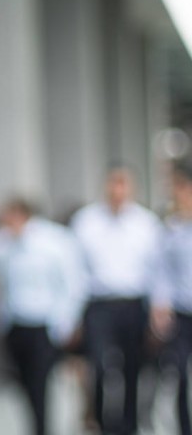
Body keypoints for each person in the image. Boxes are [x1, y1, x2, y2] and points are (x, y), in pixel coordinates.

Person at [71, 165, 162, 435]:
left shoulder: (146, 224)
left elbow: (157, 271)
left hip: (134, 303)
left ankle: (129, 425)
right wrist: (74, 313)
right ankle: (101, 421)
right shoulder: (86, 221)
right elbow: (75, 270)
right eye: (114, 183)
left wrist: (157, 309)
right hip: (99, 304)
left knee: (133, 367)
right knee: (98, 364)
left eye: (123, 183)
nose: (117, 190)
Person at [0, 197, 84, 435]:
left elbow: (71, 283)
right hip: (14, 324)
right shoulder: (0, 244)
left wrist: (65, 322)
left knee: (40, 383)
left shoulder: (52, 242)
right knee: (22, 382)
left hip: (43, 324)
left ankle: (41, 429)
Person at [150, 159, 192, 435]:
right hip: (183, 312)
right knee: (180, 375)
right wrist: (160, 305)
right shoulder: (172, 229)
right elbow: (162, 272)